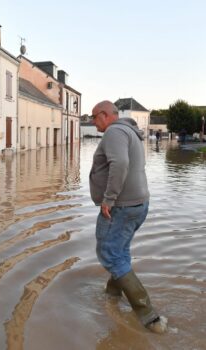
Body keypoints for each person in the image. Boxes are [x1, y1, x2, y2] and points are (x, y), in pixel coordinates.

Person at [89, 101, 167, 333]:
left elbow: (120, 163)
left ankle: (149, 317)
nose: (93, 122)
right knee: (120, 251)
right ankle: (112, 294)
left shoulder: (114, 132)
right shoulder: (129, 132)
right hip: (138, 204)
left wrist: (109, 199)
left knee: (109, 253)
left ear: (105, 115)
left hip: (121, 206)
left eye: (94, 117)